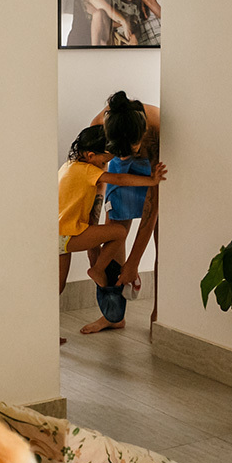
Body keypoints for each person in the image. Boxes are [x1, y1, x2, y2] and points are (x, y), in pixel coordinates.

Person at [59, 124, 166, 305]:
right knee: (119, 232)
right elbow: (119, 179)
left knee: (58, 286)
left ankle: (46, 331)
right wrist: (151, 180)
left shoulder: (68, 166)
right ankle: (98, 270)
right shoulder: (88, 171)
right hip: (69, 234)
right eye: (103, 162)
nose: (104, 167)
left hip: (57, 235)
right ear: (90, 156)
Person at [84, 91, 161, 334]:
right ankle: (113, 316)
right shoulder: (99, 125)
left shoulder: (158, 129)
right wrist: (91, 241)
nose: (124, 156)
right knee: (113, 234)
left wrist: (134, 262)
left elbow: (152, 208)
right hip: (120, 173)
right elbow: (95, 183)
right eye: (118, 152)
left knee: (164, 239)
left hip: (153, 170)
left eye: (130, 150)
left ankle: (160, 313)